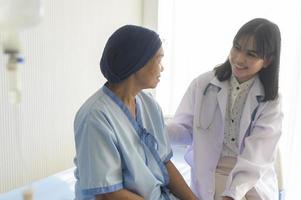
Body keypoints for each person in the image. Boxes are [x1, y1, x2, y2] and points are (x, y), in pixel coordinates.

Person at [73, 25, 198, 200]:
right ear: (138, 63)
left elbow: (164, 162)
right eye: (159, 60)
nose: (163, 68)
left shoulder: (150, 105)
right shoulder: (95, 117)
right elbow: (110, 193)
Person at [167, 18, 282, 200]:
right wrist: (152, 128)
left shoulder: (270, 101)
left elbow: (256, 159)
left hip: (250, 179)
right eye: (237, 47)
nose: (239, 59)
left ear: (267, 61)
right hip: (209, 172)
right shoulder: (203, 84)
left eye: (251, 54)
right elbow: (183, 129)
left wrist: (231, 195)